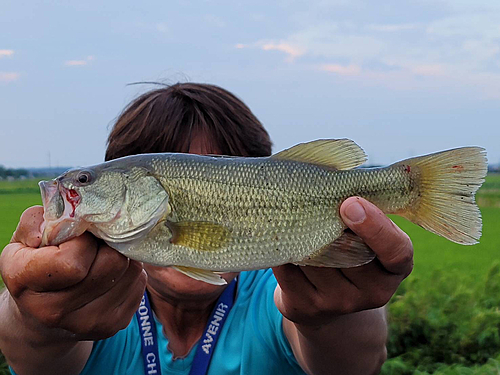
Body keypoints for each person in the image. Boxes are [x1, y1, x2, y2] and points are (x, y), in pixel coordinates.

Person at [0, 83, 413, 375]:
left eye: (86, 182)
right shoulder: (97, 299)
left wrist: (336, 317)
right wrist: (34, 319)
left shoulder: (280, 291)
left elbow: (356, 363)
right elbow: (32, 357)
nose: (75, 189)